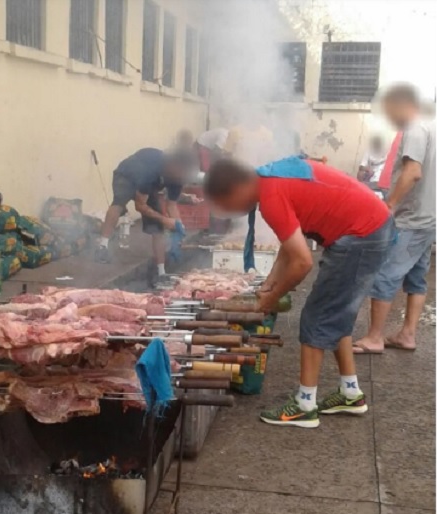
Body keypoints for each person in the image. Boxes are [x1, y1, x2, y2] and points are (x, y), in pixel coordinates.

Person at [204, 157, 393, 428]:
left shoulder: (270, 196)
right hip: (371, 226)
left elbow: (302, 262)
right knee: (337, 312)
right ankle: (350, 393)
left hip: (361, 234)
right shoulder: (271, 179)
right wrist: (270, 282)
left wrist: (270, 298)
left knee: (316, 317)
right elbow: (290, 242)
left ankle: (305, 405)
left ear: (235, 189)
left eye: (225, 206)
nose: (229, 212)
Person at [354, 84, 435, 354]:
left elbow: (413, 172)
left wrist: (390, 204)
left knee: (385, 275)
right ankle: (408, 334)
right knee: (417, 278)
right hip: (429, 217)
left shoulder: (417, 126)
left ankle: (375, 337)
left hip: (412, 219)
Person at [95, 148, 194, 283]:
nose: (183, 176)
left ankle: (161, 272)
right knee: (119, 202)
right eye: (182, 171)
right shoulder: (152, 169)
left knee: (158, 227)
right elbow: (140, 205)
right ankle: (102, 246)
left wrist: (178, 227)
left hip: (149, 187)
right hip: (126, 176)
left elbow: (172, 205)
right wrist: (165, 219)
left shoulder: (177, 178)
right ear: (173, 164)